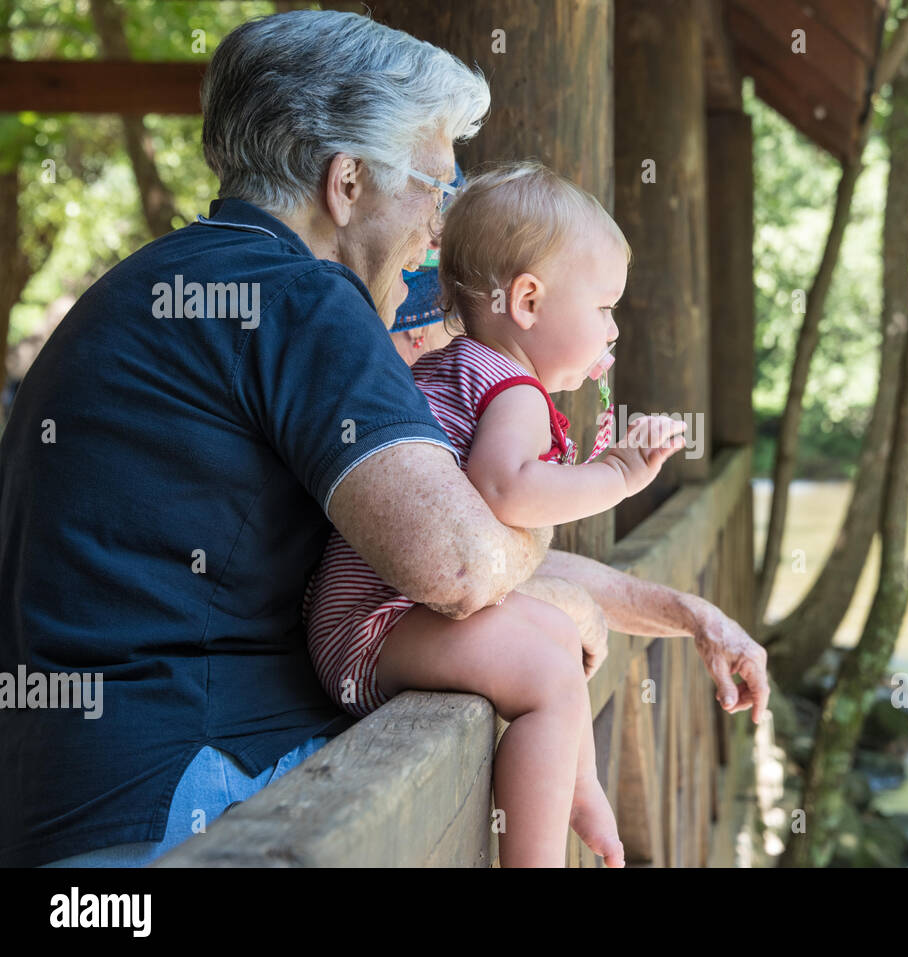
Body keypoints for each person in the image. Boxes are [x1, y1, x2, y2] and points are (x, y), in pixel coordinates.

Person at [2, 9, 768, 869]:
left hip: (75, 807)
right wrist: (558, 576)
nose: (442, 229)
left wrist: (685, 614)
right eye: (436, 188)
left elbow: (440, 545)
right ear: (348, 182)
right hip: (192, 803)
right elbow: (462, 562)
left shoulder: (153, 285)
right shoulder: (299, 295)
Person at [305, 162, 688, 867]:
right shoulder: (513, 393)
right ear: (530, 301)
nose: (612, 331)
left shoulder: (459, 365)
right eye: (604, 308)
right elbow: (506, 490)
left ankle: (580, 791)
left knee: (553, 633)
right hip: (374, 630)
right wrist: (620, 472)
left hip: (361, 614)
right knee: (547, 671)